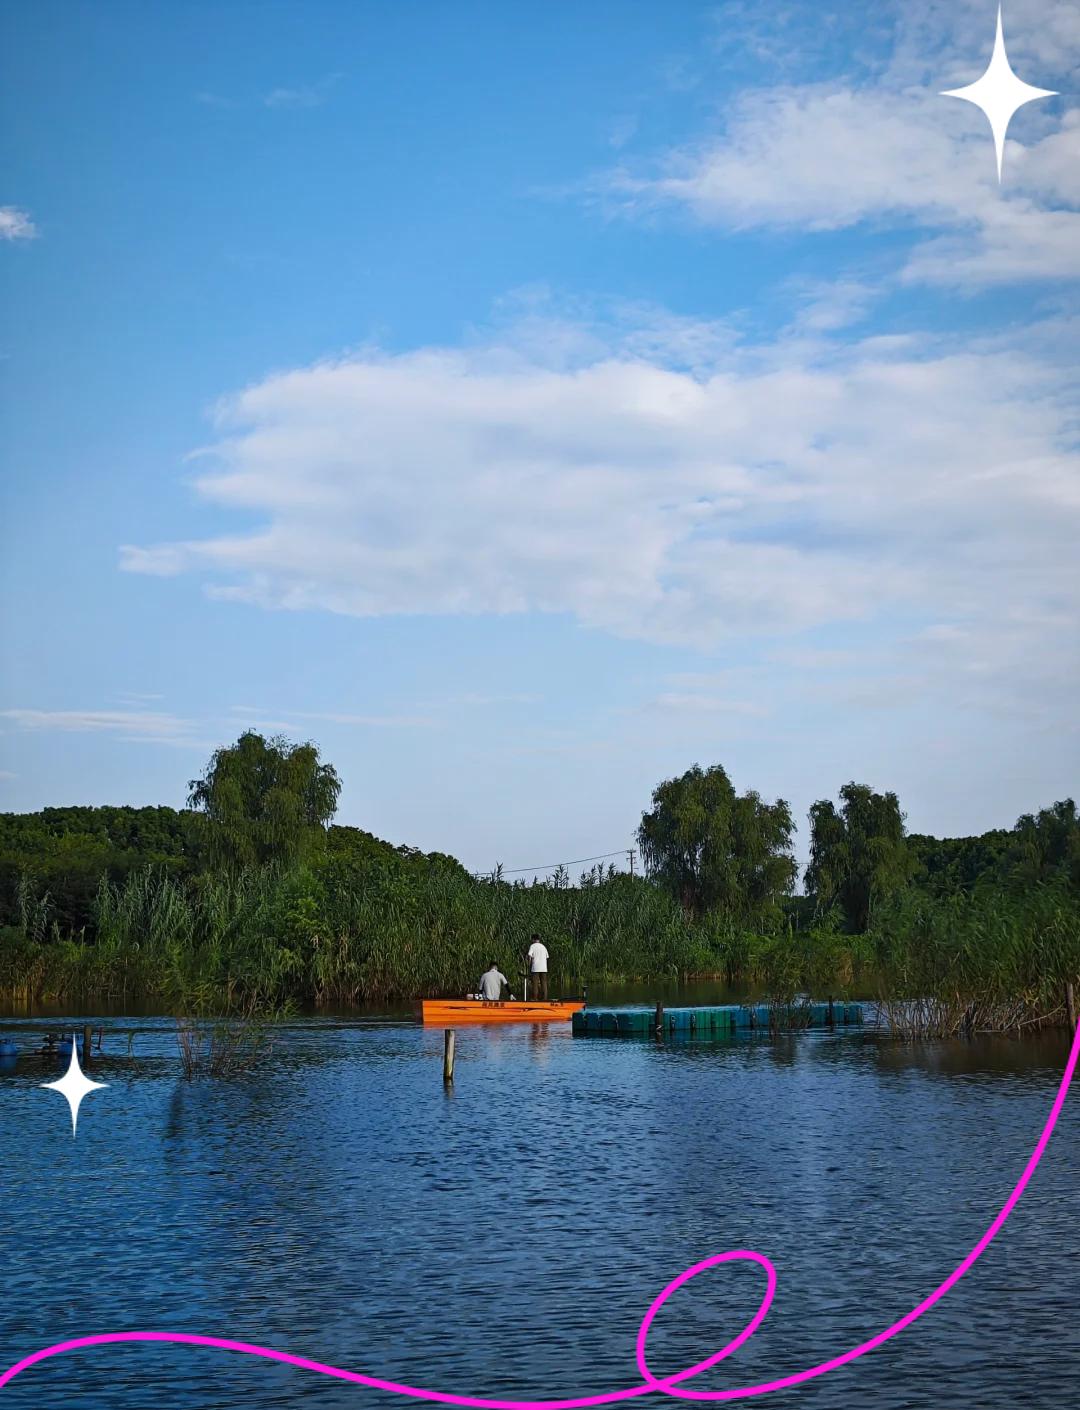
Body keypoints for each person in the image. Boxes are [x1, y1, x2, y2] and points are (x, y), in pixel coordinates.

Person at [526, 933, 550, 1000]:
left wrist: (529, 965)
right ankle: (545, 999)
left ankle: (535, 998)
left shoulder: (532, 946)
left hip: (536, 967)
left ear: (533, 939)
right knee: (544, 983)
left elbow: (529, 957)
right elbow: (547, 957)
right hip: (544, 968)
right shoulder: (543, 946)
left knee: (535, 983)